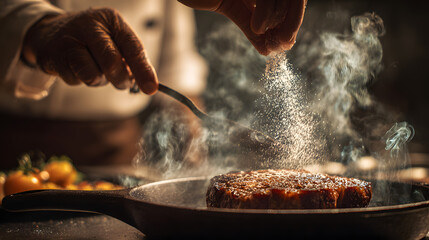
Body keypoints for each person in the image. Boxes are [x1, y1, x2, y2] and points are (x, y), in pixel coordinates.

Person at [0, 0, 306, 170]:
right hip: (13, 148)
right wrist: (37, 28)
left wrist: (192, 145)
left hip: (118, 153)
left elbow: (176, 59)